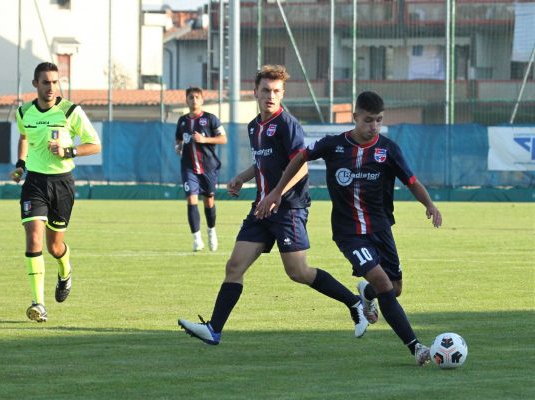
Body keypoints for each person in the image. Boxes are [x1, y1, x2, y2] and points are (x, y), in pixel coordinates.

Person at [177, 65, 368, 344]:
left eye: (276, 91)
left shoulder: (287, 124)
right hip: (262, 208)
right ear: (255, 92)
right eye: (265, 90)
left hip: (288, 208)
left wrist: (276, 194)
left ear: (282, 94)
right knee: (234, 266)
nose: (270, 95)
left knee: (298, 272)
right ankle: (214, 329)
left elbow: (300, 168)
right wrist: (242, 178)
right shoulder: (255, 126)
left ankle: (354, 303)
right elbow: (262, 162)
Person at [255, 91, 442, 365]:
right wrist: (277, 192)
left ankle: (365, 294)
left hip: (380, 229)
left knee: (395, 287)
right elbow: (300, 157)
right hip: (349, 233)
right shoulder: (334, 145)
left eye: (378, 120)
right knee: (384, 284)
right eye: (368, 120)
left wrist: (430, 205)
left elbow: (411, 181)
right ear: (355, 117)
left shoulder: (388, 149)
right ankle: (416, 348)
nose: (374, 127)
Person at [9, 62, 101, 322]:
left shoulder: (71, 111)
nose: (51, 87)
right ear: (35, 84)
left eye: (55, 82)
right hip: (34, 183)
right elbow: (25, 137)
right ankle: (38, 303)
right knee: (33, 239)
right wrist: (20, 165)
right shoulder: (24, 111)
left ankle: (65, 271)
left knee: (55, 246)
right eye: (46, 82)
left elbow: (95, 145)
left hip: (62, 184)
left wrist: (68, 151)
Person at [175, 87, 227, 251]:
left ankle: (211, 231)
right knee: (191, 199)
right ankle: (197, 239)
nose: (194, 100)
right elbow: (178, 139)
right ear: (187, 100)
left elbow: (223, 138)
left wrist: (204, 139)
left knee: (209, 200)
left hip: (208, 167)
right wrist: (178, 147)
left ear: (202, 100)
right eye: (191, 97)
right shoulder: (182, 121)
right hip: (188, 167)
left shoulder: (210, 119)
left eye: (197, 97)